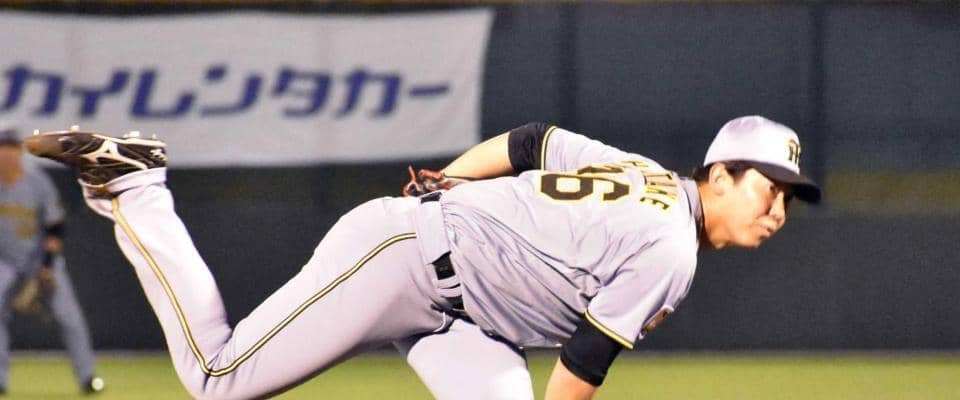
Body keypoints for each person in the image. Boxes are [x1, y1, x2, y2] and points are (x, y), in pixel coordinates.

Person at [24, 116, 819, 400]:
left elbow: (531, 141)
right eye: (768, 187)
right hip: (405, 260)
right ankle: (138, 185)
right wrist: (449, 193)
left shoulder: (642, 173)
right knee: (218, 378)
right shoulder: (672, 248)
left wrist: (454, 175)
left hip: (465, 317)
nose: (778, 209)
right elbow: (581, 366)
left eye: (789, 196)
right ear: (719, 175)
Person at [0, 125, 104, 395]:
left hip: (41, 260)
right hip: (5, 262)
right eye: (1, 149)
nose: (5, 154)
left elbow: (55, 227)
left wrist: (46, 266)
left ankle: (87, 377)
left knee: (69, 317)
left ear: (19, 152)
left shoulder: (37, 183)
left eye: (10, 148)